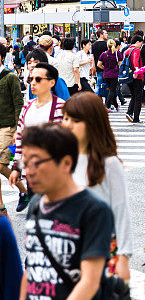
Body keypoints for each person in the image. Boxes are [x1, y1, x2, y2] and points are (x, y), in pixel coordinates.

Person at [19, 123, 114, 300]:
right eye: (25, 163)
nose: (29, 172)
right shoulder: (35, 204)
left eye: (36, 162)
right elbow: (32, 267)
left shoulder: (94, 210)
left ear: (66, 163)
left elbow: (90, 281)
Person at [62, 92, 133, 281]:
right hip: (66, 247)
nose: (67, 124)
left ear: (92, 123)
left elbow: (120, 210)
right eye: (66, 118)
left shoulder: (109, 163)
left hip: (101, 247)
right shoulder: (63, 160)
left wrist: (124, 257)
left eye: (75, 120)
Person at [9, 62, 66, 213]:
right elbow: (21, 140)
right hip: (32, 173)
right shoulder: (27, 106)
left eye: (38, 79)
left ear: (52, 82)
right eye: (31, 79)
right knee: (35, 218)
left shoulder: (62, 107)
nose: (33, 83)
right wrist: (16, 168)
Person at [0, 44, 24, 217]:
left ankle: (23, 191)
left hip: (8, 128)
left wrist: (17, 129)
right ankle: (3, 207)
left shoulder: (10, 77)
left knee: (0, 165)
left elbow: (19, 103)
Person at [98, 39, 123, 111]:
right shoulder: (117, 53)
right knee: (112, 91)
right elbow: (120, 64)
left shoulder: (104, 54)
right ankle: (107, 106)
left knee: (111, 90)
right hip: (114, 74)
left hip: (106, 74)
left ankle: (116, 105)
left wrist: (105, 68)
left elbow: (98, 64)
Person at [91, 30, 109, 98]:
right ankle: (108, 103)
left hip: (98, 67)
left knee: (98, 84)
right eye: (105, 33)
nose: (106, 35)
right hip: (106, 68)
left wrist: (93, 67)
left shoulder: (94, 44)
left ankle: (96, 100)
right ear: (101, 35)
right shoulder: (106, 44)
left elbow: (92, 56)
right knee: (107, 85)